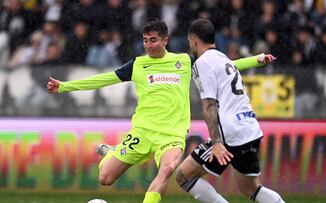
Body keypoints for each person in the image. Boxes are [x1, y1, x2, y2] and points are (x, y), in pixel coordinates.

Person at [47, 20, 273, 203]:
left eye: (153, 40)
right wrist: (65, 86)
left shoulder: (184, 61)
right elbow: (103, 79)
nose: (148, 45)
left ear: (165, 41)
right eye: (145, 40)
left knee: (167, 169)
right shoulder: (137, 65)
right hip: (143, 132)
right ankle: (111, 153)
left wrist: (257, 60)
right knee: (105, 178)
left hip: (171, 135)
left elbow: (223, 65)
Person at [175, 19, 284, 203]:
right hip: (250, 128)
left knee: (184, 175)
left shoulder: (202, 63)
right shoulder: (223, 59)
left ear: (193, 41)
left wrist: (217, 143)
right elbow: (236, 68)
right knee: (251, 188)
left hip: (229, 132)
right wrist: (258, 59)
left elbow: (209, 105)